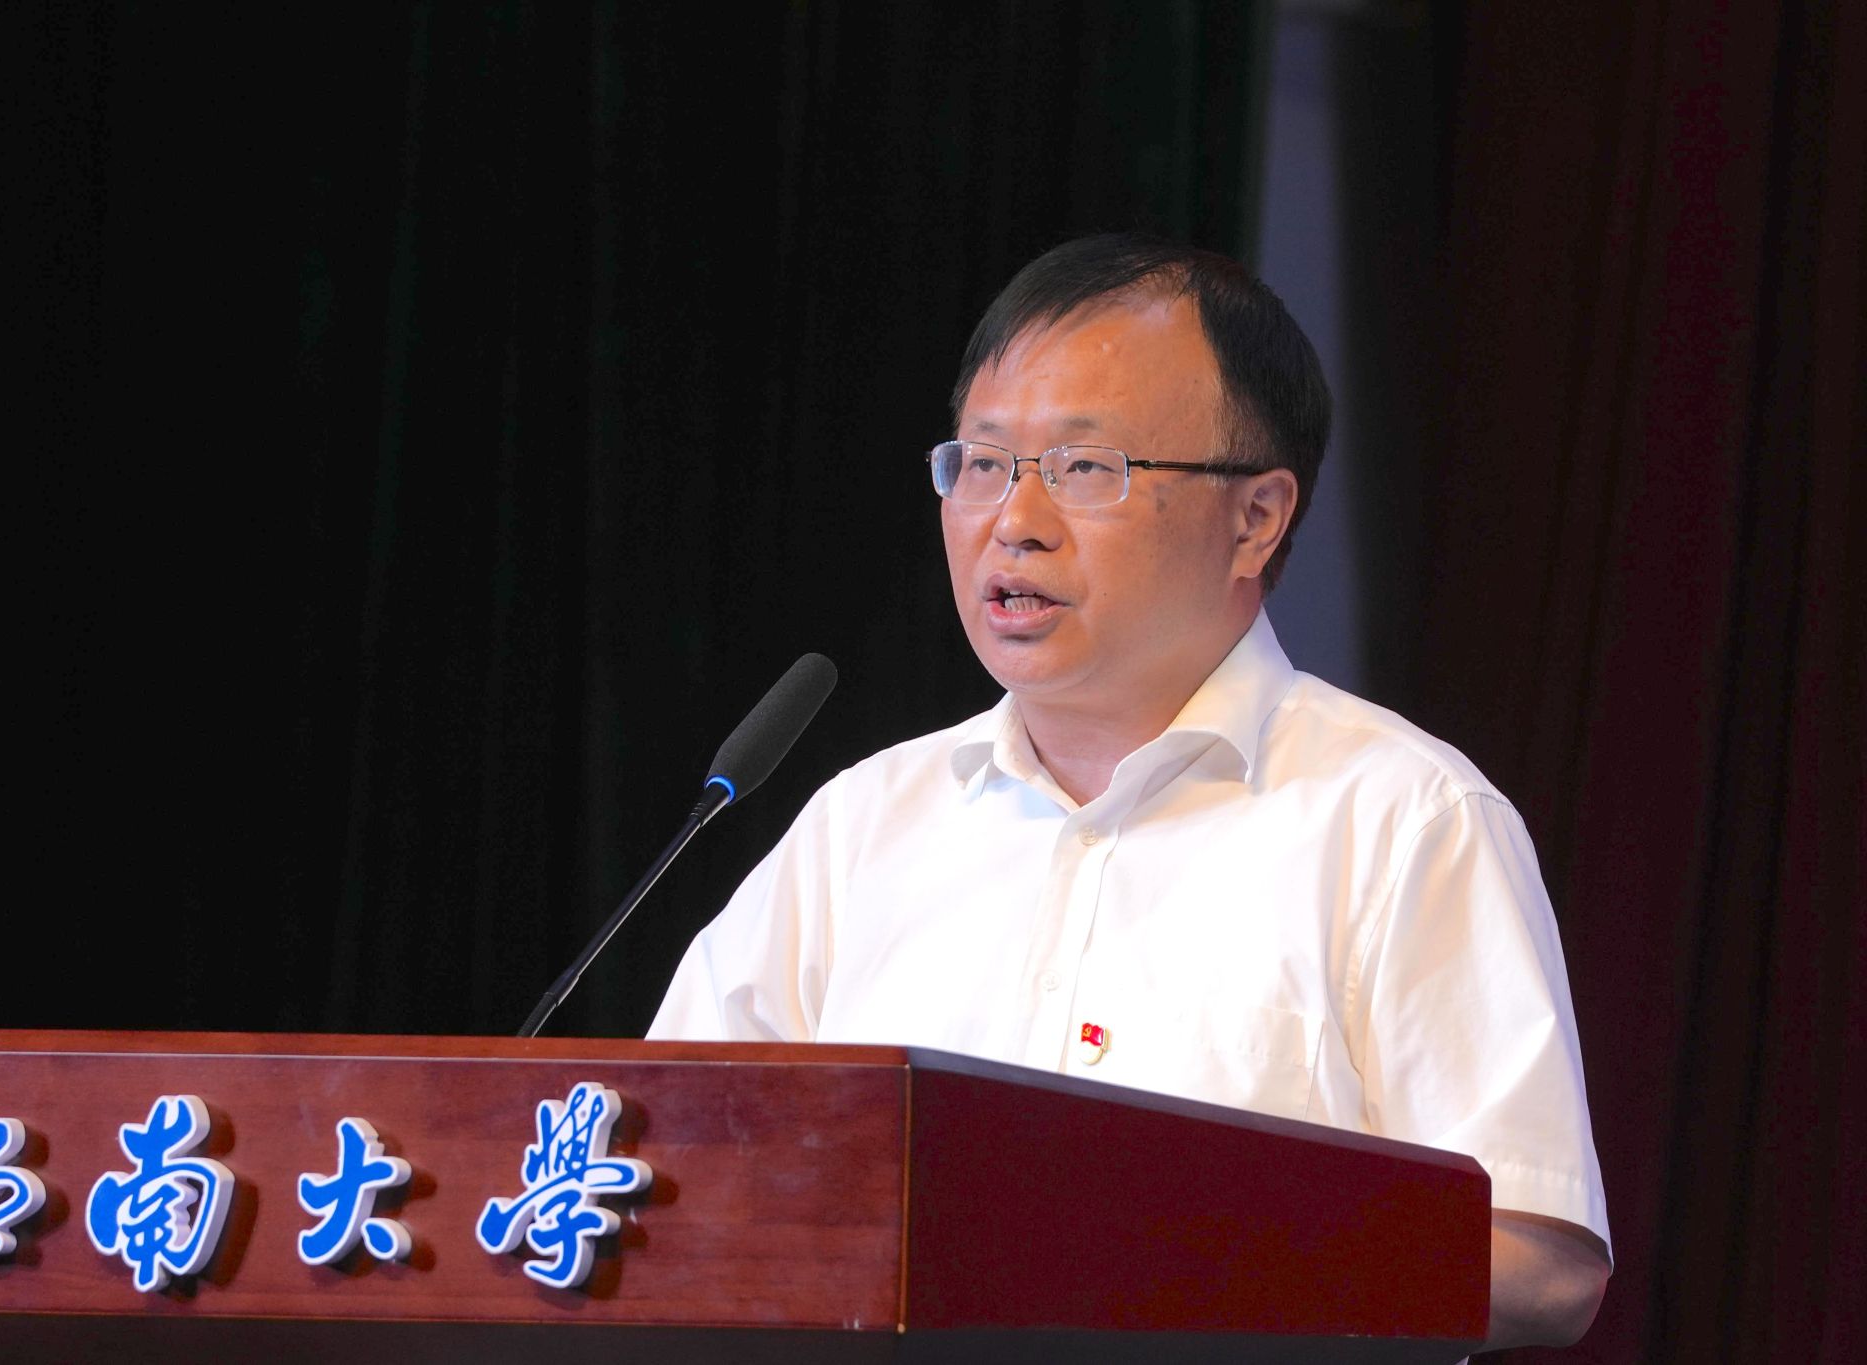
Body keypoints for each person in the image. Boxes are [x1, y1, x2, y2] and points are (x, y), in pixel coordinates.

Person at [648, 234, 1611, 1351]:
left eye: (1083, 468)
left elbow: (1535, 1259)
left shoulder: (1400, 822)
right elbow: (662, 1158)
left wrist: (1159, 1254)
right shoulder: (863, 825)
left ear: (1255, 518)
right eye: (982, 462)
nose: (1014, 518)